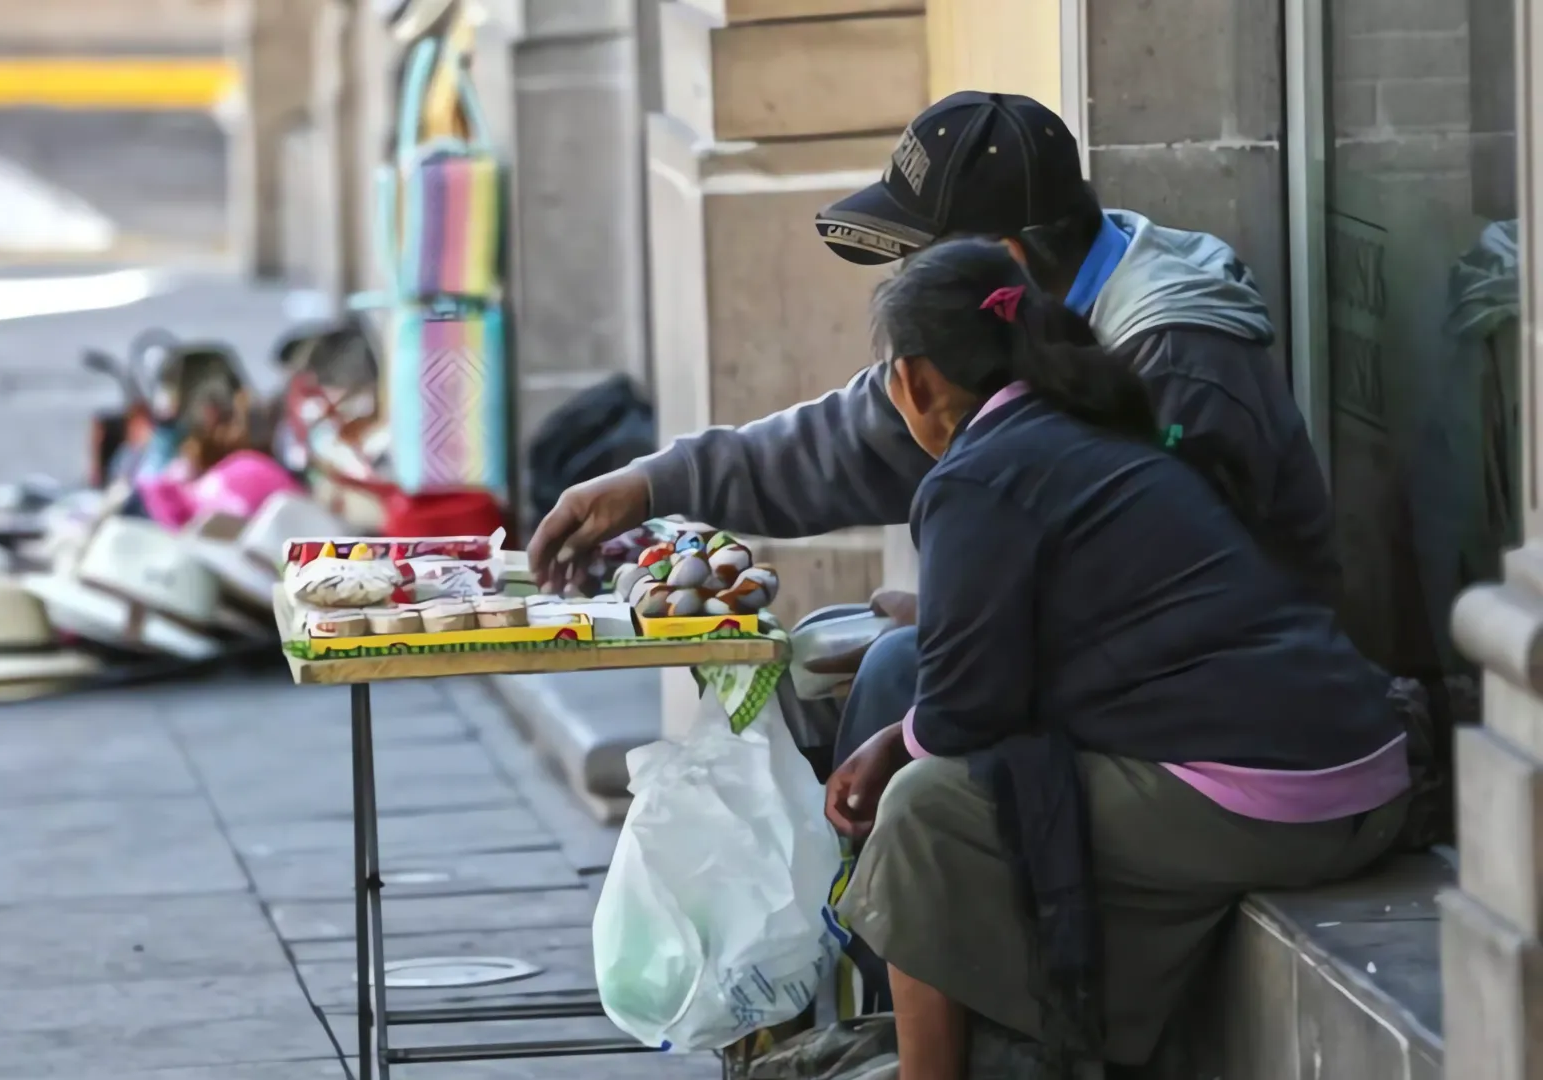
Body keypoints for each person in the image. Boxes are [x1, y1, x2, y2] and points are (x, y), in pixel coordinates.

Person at [526, 90, 1337, 774]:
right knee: (814, 662)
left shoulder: (1178, 354)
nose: (902, 288)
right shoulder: (1010, 321)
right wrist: (654, 484)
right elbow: (855, 437)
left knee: (896, 683)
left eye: (914, 264)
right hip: (1113, 656)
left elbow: (1189, 589)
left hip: (1231, 707)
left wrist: (972, 619)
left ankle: (890, 949)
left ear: (1002, 260)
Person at [816, 238, 1405, 1076]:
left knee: (921, 812)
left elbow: (960, 716)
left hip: (1283, 800)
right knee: (977, 760)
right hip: (1361, 770)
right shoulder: (1086, 426)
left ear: (910, 381)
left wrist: (886, 745)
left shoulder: (977, 476)